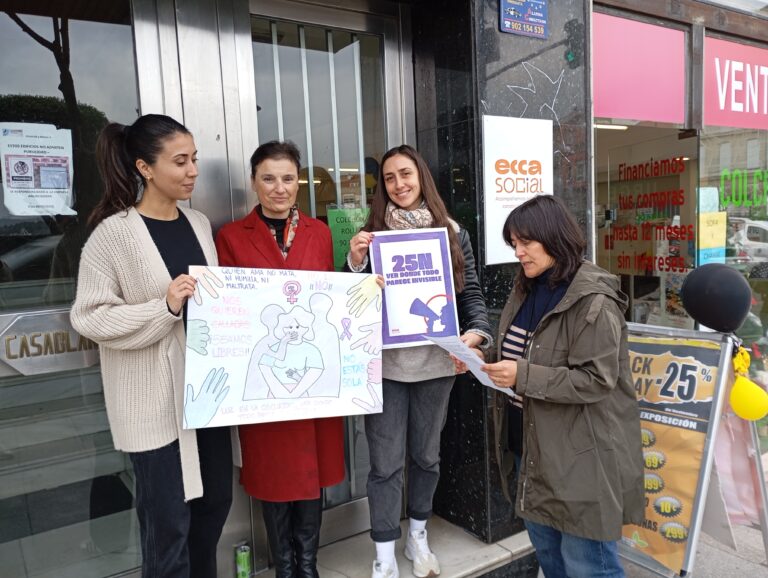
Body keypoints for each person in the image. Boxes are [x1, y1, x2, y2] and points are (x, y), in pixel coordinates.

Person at [70, 114, 239, 578]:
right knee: (168, 526)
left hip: (205, 397)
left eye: (195, 160)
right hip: (153, 406)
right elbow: (89, 316)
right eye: (180, 161)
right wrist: (162, 307)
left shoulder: (199, 224)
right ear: (145, 168)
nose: (193, 171)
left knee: (214, 508)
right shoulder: (113, 235)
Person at [455, 195, 644, 578]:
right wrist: (482, 358)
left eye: (526, 243)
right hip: (533, 452)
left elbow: (596, 380)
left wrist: (522, 375)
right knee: (552, 561)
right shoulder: (527, 286)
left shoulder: (593, 300)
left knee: (589, 567)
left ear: (554, 237)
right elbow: (525, 350)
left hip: (581, 459)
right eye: (513, 244)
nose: (518, 253)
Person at [346, 144, 493, 578]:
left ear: (421, 176)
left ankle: (418, 536)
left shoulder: (451, 232)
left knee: (427, 458)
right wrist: (354, 264)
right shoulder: (371, 237)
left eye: (405, 174)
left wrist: (477, 334)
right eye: (389, 178)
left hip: (436, 366)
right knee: (385, 464)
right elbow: (349, 304)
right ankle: (384, 552)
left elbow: (471, 295)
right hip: (386, 369)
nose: (399, 184)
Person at [215, 140, 345, 578]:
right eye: (268, 178)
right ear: (253, 183)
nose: (279, 188)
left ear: (299, 181)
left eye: (288, 178)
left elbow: (332, 296)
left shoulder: (319, 233)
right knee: (273, 474)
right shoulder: (231, 237)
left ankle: (308, 564)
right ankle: (284, 566)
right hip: (267, 380)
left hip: (311, 377)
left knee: (311, 474)